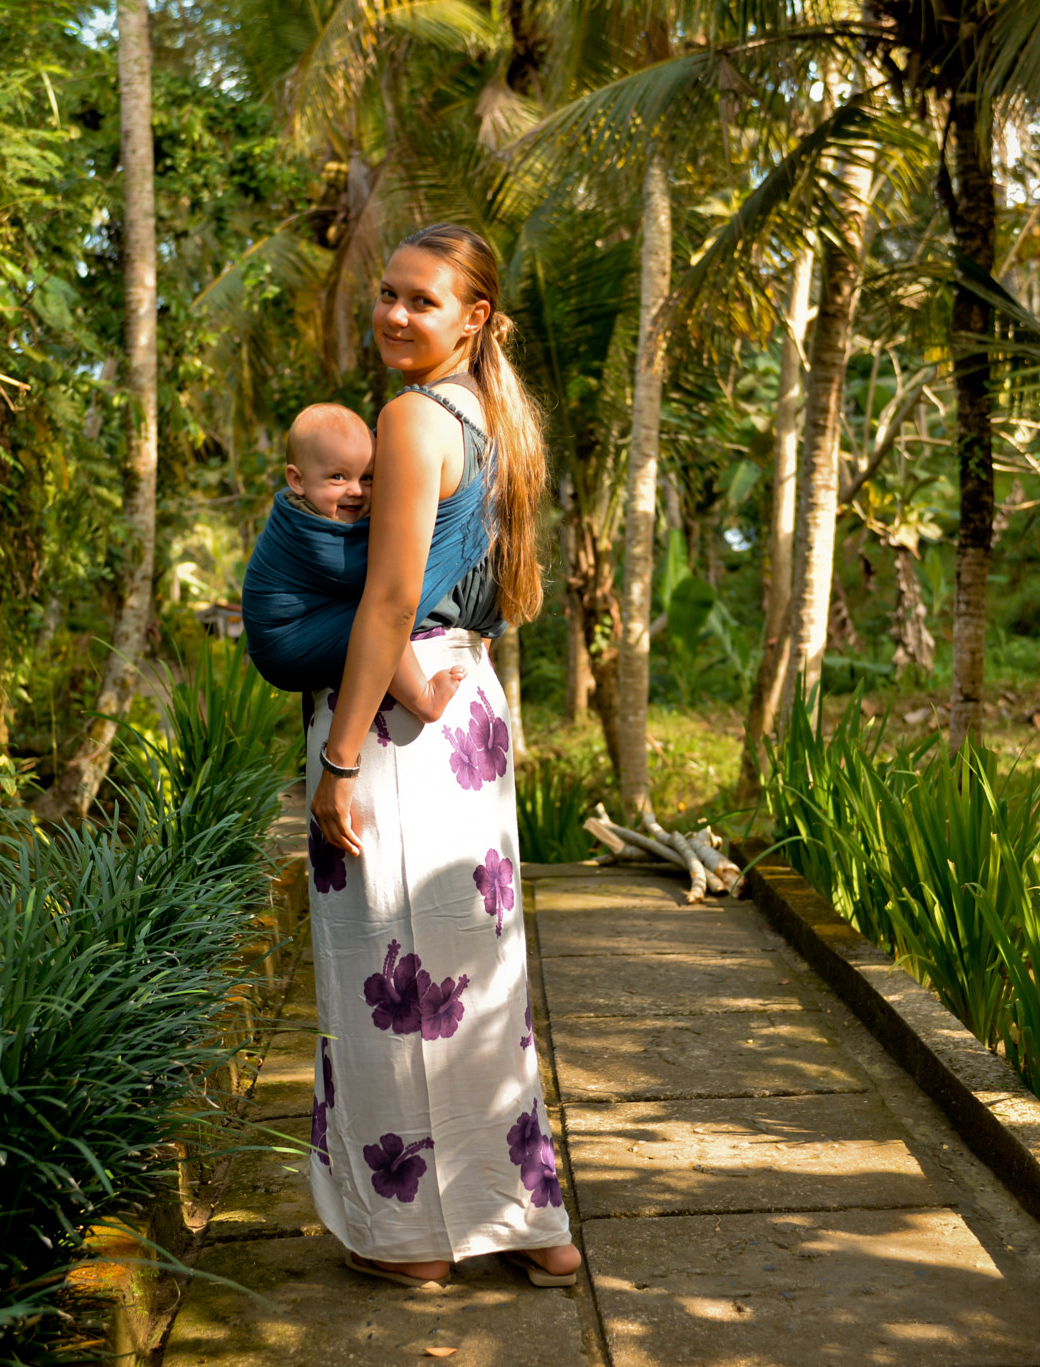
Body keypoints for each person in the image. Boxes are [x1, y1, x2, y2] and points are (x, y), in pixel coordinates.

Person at [301, 223, 581, 1290]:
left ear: (470, 317)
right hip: (468, 710)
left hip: (400, 719)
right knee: (479, 980)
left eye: (420, 299)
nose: (391, 312)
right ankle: (528, 1223)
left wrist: (334, 760)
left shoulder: (413, 416)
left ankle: (413, 1242)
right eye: (386, 292)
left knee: (391, 967)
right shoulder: (495, 416)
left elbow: (385, 598)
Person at [277, 402, 468, 725]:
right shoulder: (305, 529)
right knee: (381, 615)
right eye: (338, 477)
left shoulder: (319, 511)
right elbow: (378, 587)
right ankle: (424, 699)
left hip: (305, 651)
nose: (356, 491)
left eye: (367, 478)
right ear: (297, 481)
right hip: (288, 634)